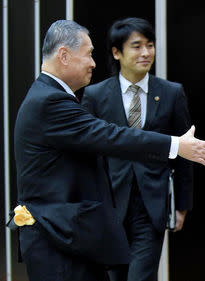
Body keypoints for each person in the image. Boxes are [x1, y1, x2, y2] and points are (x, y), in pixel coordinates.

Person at [12, 20, 205, 281]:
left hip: (70, 234)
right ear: (64, 55)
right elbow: (110, 136)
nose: (93, 63)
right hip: (58, 238)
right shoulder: (51, 102)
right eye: (88, 54)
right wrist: (176, 145)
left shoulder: (48, 95)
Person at [81, 17, 193, 281]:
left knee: (141, 276)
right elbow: (86, 155)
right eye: (137, 46)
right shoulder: (95, 96)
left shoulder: (171, 93)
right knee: (116, 275)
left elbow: (185, 152)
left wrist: (183, 205)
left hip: (151, 203)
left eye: (150, 45)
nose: (146, 53)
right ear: (116, 52)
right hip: (108, 204)